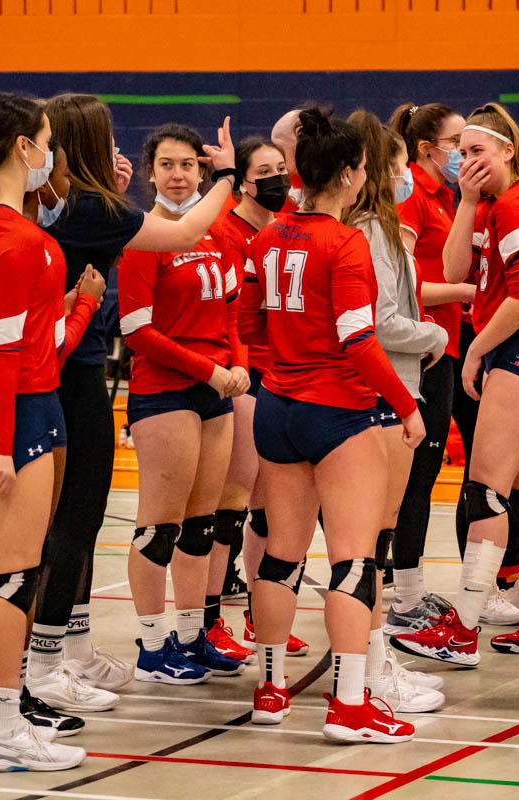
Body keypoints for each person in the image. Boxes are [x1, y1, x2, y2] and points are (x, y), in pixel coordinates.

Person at [24, 94, 239, 713]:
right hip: (71, 370)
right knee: (71, 520)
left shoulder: (73, 206)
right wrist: (224, 176)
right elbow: (187, 230)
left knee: (80, 519)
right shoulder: (91, 209)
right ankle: (39, 663)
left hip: (70, 364)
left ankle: (72, 647)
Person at [239, 108, 424, 742]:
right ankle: (349, 708)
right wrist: (406, 405)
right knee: (354, 560)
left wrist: (284, 371)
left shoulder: (264, 237)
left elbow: (245, 328)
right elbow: (359, 341)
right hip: (337, 412)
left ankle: (270, 692)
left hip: (276, 408)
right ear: (348, 174)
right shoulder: (343, 242)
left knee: (280, 558)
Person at [0, 90, 103, 771]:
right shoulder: (21, 241)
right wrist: (0, 447)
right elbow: (9, 354)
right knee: (13, 579)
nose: (52, 153)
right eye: (46, 140)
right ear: (22, 149)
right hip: (20, 413)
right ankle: (5, 733)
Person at [392, 102, 519, 667]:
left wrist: (475, 347)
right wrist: (466, 202)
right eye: (460, 152)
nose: (465, 162)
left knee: (485, 490)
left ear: (508, 151)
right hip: (517, 354)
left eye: (477, 152)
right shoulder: (493, 203)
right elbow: (450, 270)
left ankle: (463, 629)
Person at [117, 123, 250, 684]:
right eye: (167, 165)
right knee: (161, 525)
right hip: (165, 391)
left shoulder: (216, 235)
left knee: (202, 525)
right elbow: (136, 332)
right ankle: (152, 647)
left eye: (188, 166)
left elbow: (231, 313)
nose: (177, 175)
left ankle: (193, 639)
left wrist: (238, 363)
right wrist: (210, 370)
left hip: (217, 389)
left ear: (202, 172)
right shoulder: (144, 237)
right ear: (151, 172)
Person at [343, 110, 448, 713]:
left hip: (391, 390)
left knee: (372, 541)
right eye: (403, 161)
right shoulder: (372, 232)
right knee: (371, 543)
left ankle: (377, 659)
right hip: (384, 395)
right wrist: (433, 337)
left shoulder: (377, 229)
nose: (410, 172)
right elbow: (380, 325)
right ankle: (371, 671)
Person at [206, 135, 308, 664]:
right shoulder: (225, 230)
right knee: (234, 497)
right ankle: (209, 622)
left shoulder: (288, 223)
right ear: (243, 180)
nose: (276, 179)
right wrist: (238, 367)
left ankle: (258, 617)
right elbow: (230, 315)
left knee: (269, 504)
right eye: (263, 171)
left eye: (280, 168)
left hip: (285, 373)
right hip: (245, 373)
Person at [384, 101, 474, 633]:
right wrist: (465, 291)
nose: (463, 154)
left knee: (428, 472)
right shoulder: (412, 195)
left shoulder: (446, 195)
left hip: (447, 345)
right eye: (456, 144)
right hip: (421, 352)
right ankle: (403, 597)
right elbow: (403, 288)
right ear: (426, 149)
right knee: (416, 474)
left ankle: (411, 588)